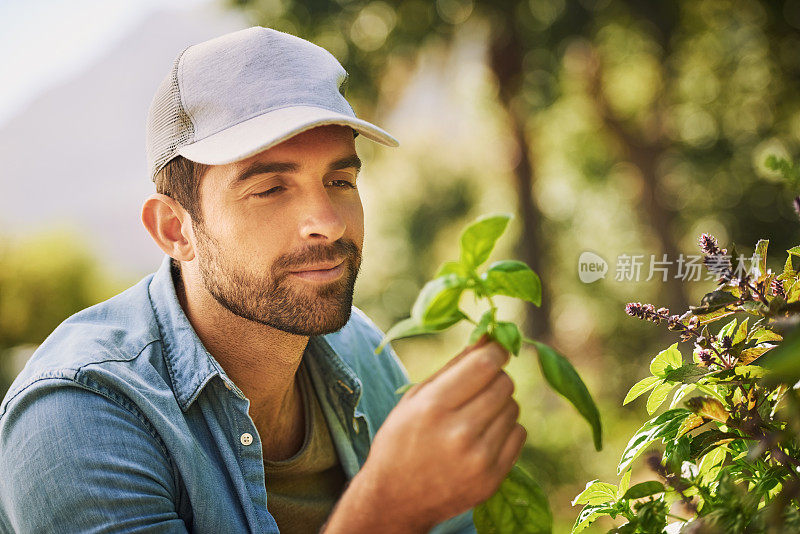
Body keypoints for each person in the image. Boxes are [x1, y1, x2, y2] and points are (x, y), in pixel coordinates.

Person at [0, 27, 525, 533]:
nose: (329, 222)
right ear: (174, 229)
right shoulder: (77, 416)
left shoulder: (362, 348)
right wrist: (385, 509)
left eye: (340, 180)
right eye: (272, 188)